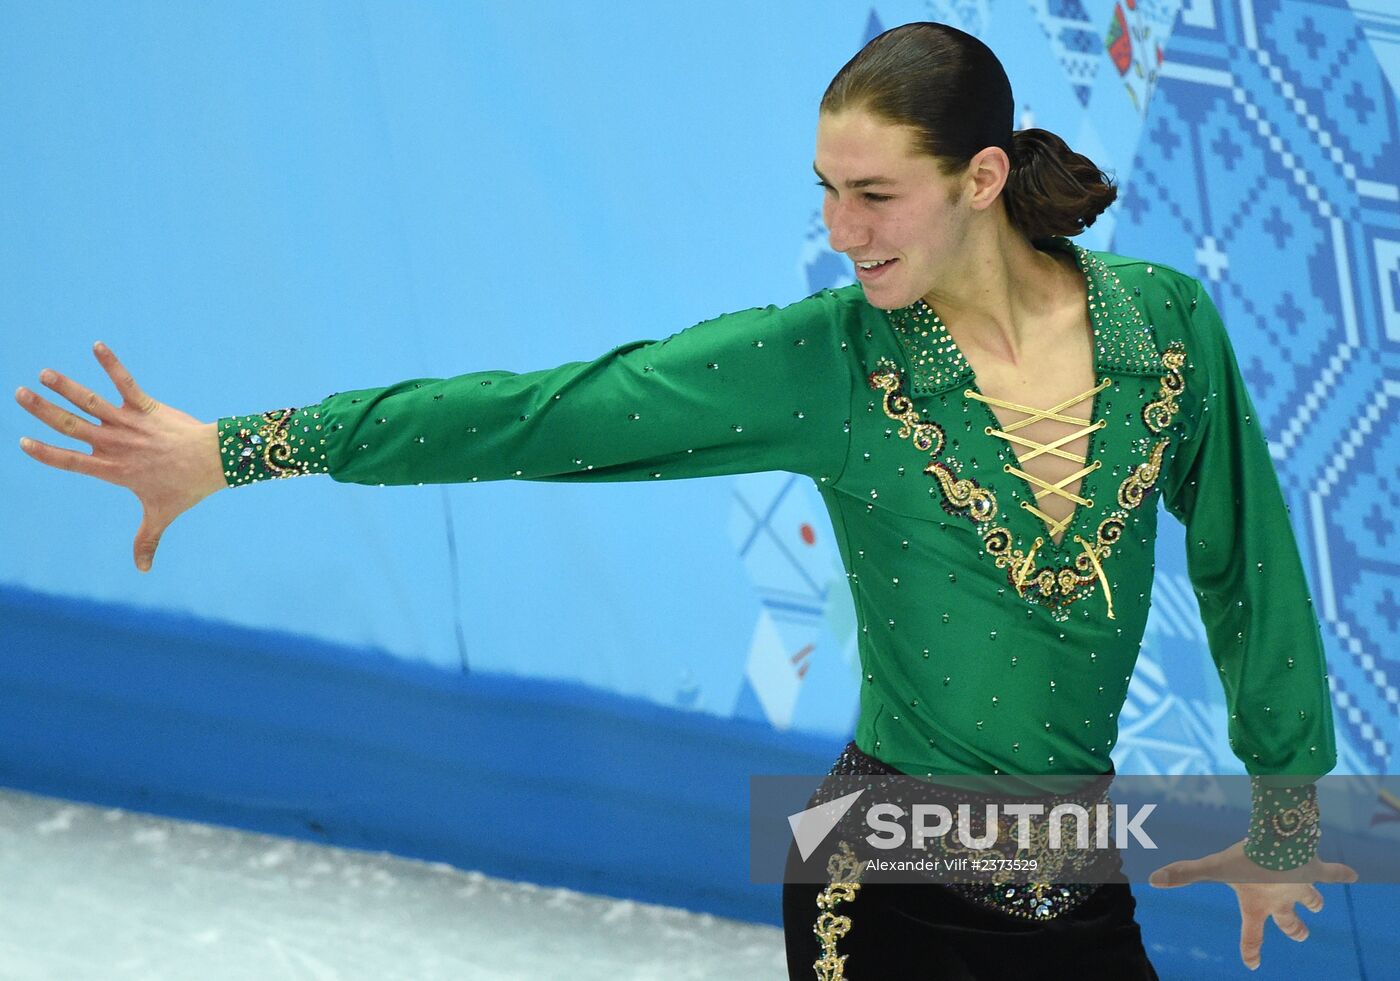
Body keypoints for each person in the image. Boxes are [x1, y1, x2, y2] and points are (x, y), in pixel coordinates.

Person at [14, 21, 1354, 980]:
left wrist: (1288, 819)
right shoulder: (831, 361)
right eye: (826, 193)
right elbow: (548, 409)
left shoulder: (1163, 333)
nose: (842, 229)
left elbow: (1250, 572)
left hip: (1076, 881)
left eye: (873, 194)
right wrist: (238, 449)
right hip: (874, 872)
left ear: (983, 178)